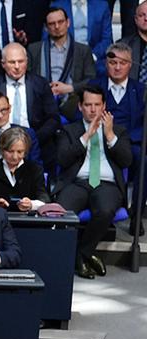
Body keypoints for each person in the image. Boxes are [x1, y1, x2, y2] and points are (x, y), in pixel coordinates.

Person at [54, 83, 131, 279]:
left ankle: (81, 255)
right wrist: (86, 136)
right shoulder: (69, 130)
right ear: (80, 106)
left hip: (106, 183)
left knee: (105, 210)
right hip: (77, 182)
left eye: (97, 104)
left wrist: (110, 136)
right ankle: (80, 258)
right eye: (88, 105)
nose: (93, 109)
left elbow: (127, 160)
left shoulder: (118, 130)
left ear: (104, 105)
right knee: (61, 211)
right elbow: (63, 159)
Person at [0, 43, 60, 166]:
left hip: (33, 142)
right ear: (3, 64)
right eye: (12, 62)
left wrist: (33, 139)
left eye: (21, 62)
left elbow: (53, 118)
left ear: (27, 61)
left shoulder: (40, 84)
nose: (17, 66)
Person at [86, 42, 144, 171]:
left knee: (140, 156)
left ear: (130, 65)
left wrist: (123, 140)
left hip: (130, 142)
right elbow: (80, 115)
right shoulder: (93, 86)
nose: (117, 68)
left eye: (122, 63)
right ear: (106, 64)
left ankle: (137, 192)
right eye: (113, 63)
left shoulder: (141, 90)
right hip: (98, 140)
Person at [27, 6, 96, 112]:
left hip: (73, 103)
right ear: (45, 27)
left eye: (60, 22)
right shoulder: (34, 49)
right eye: (52, 24)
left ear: (68, 23)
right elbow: (27, 78)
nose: (57, 26)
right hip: (41, 103)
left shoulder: (83, 50)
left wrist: (70, 88)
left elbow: (92, 80)